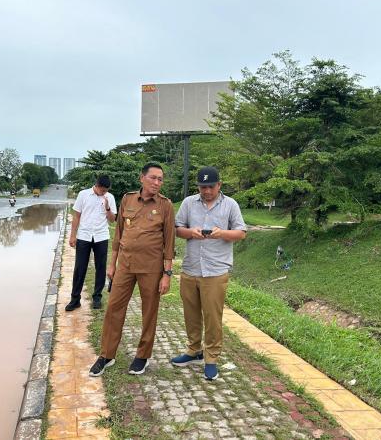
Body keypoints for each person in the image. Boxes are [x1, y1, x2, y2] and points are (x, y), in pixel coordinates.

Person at [89, 163, 175, 377]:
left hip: (151, 267)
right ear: (142, 178)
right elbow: (119, 235)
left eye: (160, 179)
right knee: (114, 308)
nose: (157, 183)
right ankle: (107, 355)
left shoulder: (165, 205)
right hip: (125, 265)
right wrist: (112, 264)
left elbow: (170, 243)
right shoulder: (127, 199)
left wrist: (167, 274)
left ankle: (142, 357)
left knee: (149, 312)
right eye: (153, 178)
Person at [171, 166, 247, 380]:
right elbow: (177, 228)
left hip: (215, 270)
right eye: (202, 187)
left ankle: (211, 357)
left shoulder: (230, 205)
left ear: (219, 185)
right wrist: (191, 232)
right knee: (191, 314)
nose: (206, 191)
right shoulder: (188, 203)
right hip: (191, 268)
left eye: (210, 187)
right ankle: (193, 350)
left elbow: (241, 233)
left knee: (213, 316)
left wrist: (221, 233)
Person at [65, 175, 117, 311]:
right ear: (97, 185)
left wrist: (107, 208)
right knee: (79, 268)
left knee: (100, 268)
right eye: (102, 190)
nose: (104, 193)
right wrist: (72, 236)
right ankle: (75, 299)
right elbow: (76, 216)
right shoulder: (83, 195)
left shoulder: (109, 198)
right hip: (84, 235)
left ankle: (97, 298)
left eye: (106, 190)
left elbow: (112, 220)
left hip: (101, 236)